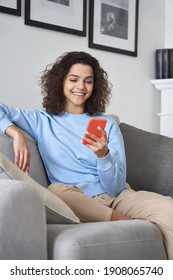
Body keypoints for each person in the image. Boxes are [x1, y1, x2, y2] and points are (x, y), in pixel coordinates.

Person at [0, 51, 172, 259]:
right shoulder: (40, 120)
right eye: (73, 79)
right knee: (55, 191)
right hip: (76, 197)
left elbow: (116, 187)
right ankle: (126, 221)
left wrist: (103, 155)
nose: (81, 87)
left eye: (88, 81)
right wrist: (14, 131)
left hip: (118, 197)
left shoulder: (108, 124)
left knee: (168, 208)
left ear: (95, 86)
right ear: (60, 81)